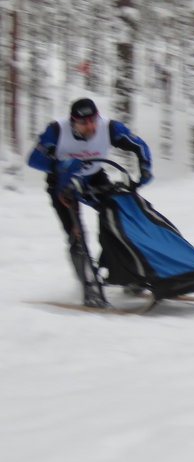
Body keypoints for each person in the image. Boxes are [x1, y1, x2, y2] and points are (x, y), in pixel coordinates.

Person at [27, 98, 153, 308]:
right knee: (76, 233)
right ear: (73, 122)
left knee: (118, 220)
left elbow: (139, 146)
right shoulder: (57, 130)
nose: (90, 127)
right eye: (83, 123)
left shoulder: (110, 128)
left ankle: (129, 276)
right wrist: (60, 164)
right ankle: (89, 285)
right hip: (63, 183)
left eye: (93, 121)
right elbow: (34, 159)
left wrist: (145, 168)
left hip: (94, 177)